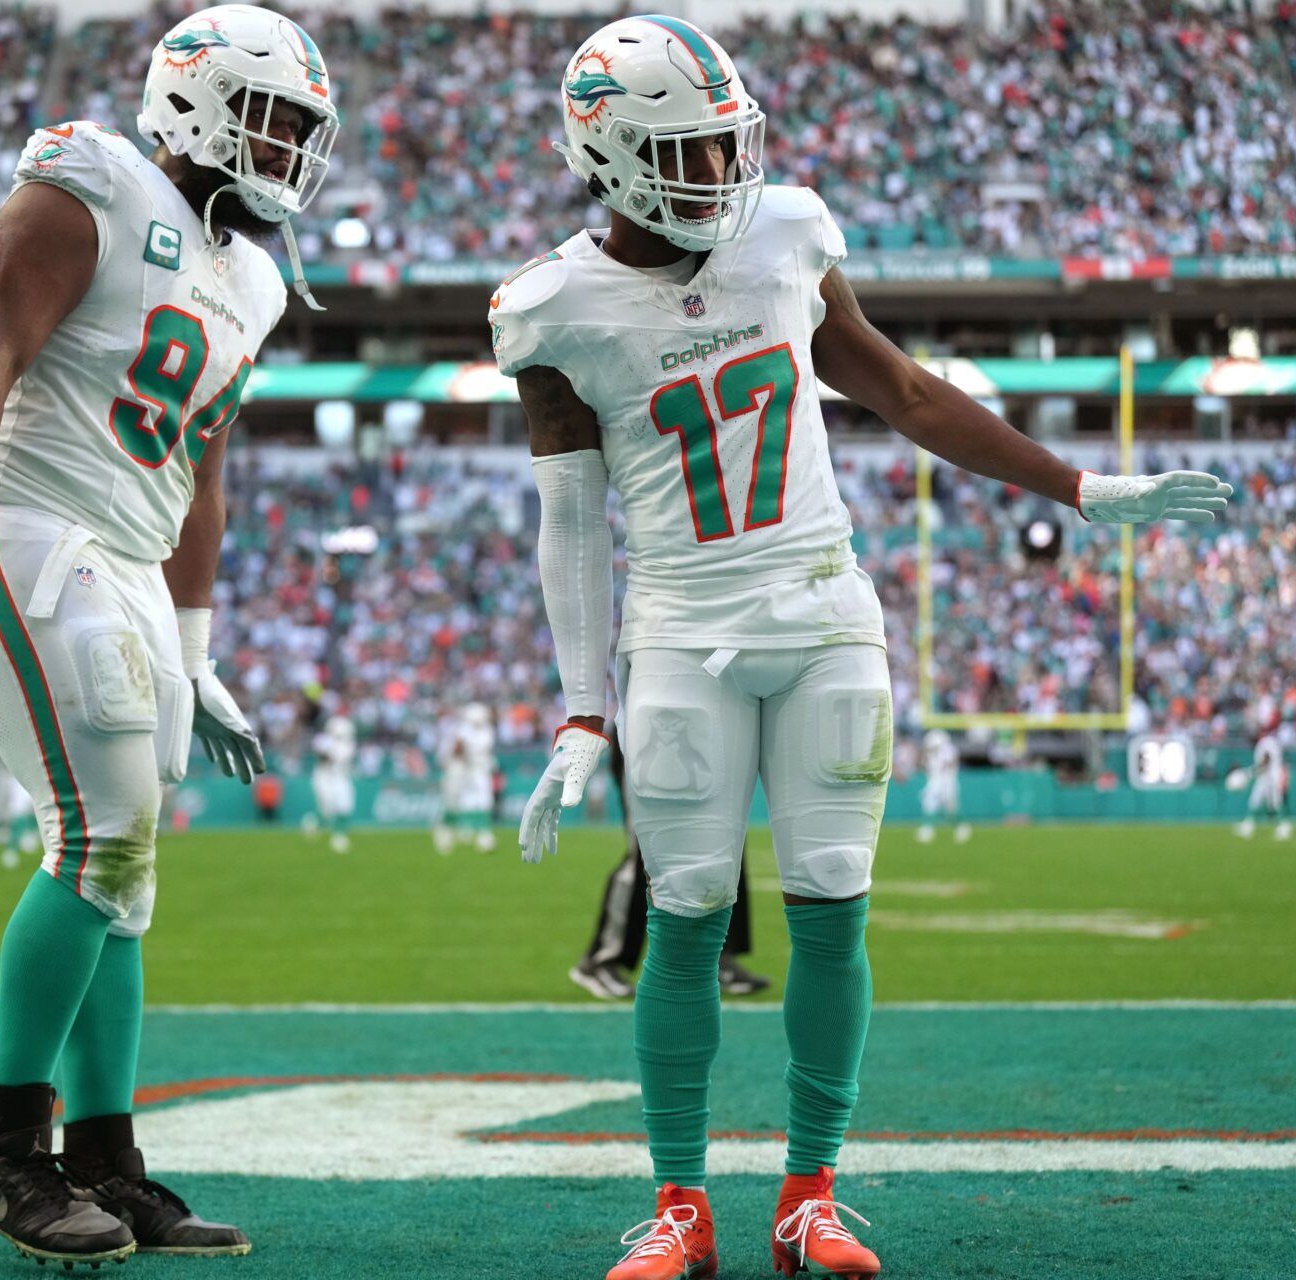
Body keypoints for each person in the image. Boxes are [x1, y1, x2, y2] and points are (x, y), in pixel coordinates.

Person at [495, 17, 1233, 1280]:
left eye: (731, 146)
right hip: (682, 629)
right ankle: (680, 1201)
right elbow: (571, 521)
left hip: (828, 614)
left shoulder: (786, 233)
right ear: (606, 155)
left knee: (833, 912)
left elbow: (904, 389)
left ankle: (810, 1193)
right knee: (685, 919)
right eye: (690, 151)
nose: (723, 175)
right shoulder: (549, 305)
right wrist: (578, 705)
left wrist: (1076, 486)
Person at [0, 5, 337, 1266]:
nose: (291, 146)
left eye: (305, 126)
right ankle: (2, 1149)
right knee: (98, 838)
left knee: (124, 885)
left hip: (128, 556)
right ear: (192, 100)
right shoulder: (93, 179)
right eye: (272, 116)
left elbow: (203, 467)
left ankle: (103, 1157)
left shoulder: (251, 274)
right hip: (26, 523)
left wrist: (194, 644)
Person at [572, 734, 768, 1000]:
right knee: (645, 850)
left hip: (711, 731)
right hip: (647, 732)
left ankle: (720, 957)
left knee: (726, 842)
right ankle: (602, 959)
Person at [433, 703, 498, 853]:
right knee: (455, 802)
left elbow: (482, 751)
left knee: (484, 800)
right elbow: (455, 751)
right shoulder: (462, 729)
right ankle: (446, 829)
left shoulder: (487, 730)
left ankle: (483, 833)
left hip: (479, 768)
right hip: (460, 767)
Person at [307, 713, 357, 853]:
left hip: (340, 777)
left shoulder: (349, 745)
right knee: (327, 810)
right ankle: (315, 822)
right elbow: (323, 757)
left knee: (345, 806)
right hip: (324, 777)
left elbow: (341, 760)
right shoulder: (323, 740)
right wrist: (328, 751)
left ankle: (339, 836)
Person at [1237, 723, 1292, 840]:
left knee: (1275, 803)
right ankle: (1249, 825)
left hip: (1270, 777)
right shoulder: (1270, 741)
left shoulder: (1265, 742)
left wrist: (1251, 772)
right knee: (1255, 800)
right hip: (1267, 777)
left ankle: (1283, 826)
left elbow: (1266, 759)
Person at [917, 728, 969, 844]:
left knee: (950, 809)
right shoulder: (930, 755)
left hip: (947, 783)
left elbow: (950, 763)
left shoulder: (948, 750)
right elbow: (923, 766)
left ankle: (961, 826)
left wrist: (940, 761)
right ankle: (927, 828)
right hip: (934, 782)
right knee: (929, 805)